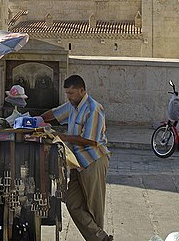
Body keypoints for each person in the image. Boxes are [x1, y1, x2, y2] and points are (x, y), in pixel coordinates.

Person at [41, 74, 112, 241]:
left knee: (94, 207)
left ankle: (99, 239)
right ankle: (100, 237)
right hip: (76, 163)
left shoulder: (93, 108)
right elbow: (54, 113)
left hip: (93, 161)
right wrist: (36, 120)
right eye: (67, 93)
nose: (69, 96)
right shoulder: (72, 105)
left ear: (82, 90)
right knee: (72, 202)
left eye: (71, 93)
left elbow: (90, 139)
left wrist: (61, 136)